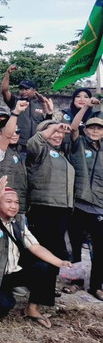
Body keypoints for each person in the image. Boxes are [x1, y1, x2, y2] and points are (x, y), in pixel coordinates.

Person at [0, 178, 73, 328]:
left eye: (16, 202)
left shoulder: (18, 222)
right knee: (3, 307)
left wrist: (60, 262)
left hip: (11, 275)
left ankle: (32, 309)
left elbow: (35, 246)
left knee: (47, 265)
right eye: (8, 201)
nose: (14, 206)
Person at [25, 120, 74, 280]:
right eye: (54, 132)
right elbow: (34, 142)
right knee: (42, 250)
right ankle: (36, 290)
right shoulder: (40, 150)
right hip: (43, 207)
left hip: (62, 208)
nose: (58, 135)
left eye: (61, 133)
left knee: (56, 251)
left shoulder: (62, 154)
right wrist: (53, 127)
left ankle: (46, 290)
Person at [67, 98, 103, 300]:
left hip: (99, 207)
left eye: (99, 129)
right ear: (86, 130)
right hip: (79, 204)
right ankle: (75, 282)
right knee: (75, 245)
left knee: (100, 249)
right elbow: (73, 127)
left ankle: (96, 285)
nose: (95, 132)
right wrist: (87, 107)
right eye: (92, 128)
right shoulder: (78, 143)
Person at [1, 65, 52, 154]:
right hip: (20, 145)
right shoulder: (15, 102)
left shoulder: (40, 103)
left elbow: (47, 123)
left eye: (26, 89)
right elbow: (4, 90)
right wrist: (8, 73)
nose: (23, 91)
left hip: (37, 145)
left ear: (34, 90)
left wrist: (44, 104)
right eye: (21, 89)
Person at [0, 100, 28, 213]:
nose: (14, 134)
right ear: (0, 134)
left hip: (19, 206)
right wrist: (16, 112)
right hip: (2, 206)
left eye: (17, 131)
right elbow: (7, 136)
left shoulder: (18, 152)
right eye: (11, 131)